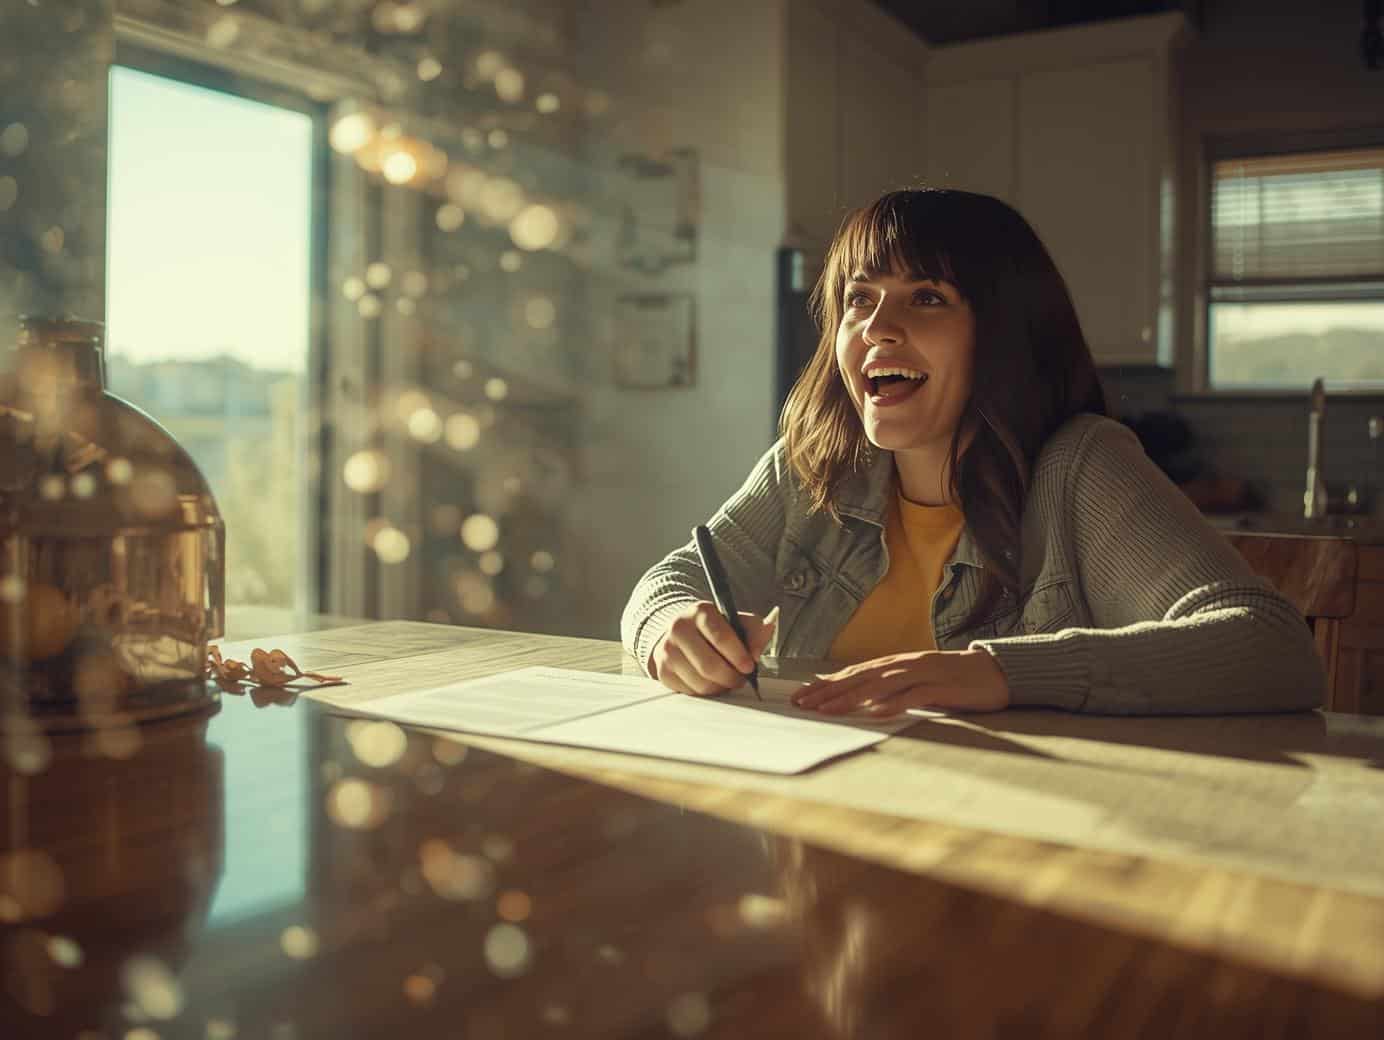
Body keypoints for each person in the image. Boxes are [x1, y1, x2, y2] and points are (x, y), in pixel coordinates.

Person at [620, 188, 1325, 717]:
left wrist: (1002, 672)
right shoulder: (813, 464)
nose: (877, 328)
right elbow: (671, 581)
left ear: (1005, 333)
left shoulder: (1082, 465)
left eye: (926, 297)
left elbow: (1274, 651)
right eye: (859, 299)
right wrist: (667, 627)